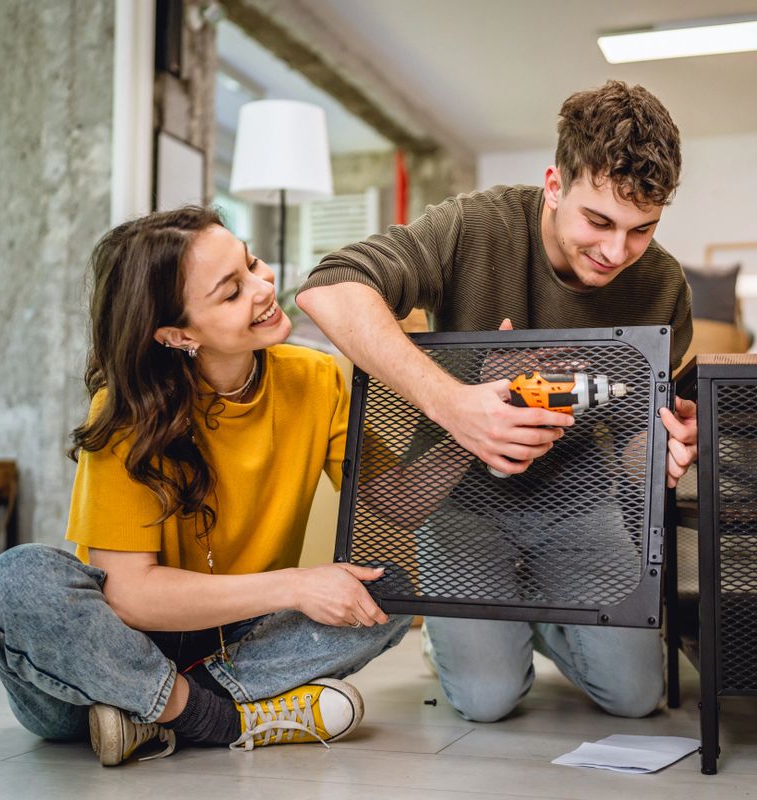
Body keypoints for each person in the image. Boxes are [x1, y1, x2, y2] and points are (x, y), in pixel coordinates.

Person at [296, 80, 698, 722]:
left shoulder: (662, 285)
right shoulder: (475, 227)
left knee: (635, 697)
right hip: (464, 502)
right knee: (488, 701)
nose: (616, 252)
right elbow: (330, 288)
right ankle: (461, 636)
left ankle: (529, 617)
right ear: (554, 185)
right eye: (598, 222)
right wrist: (459, 408)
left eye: (641, 230)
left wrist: (663, 450)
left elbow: (632, 447)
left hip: (580, 505)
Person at [0, 207, 410, 766]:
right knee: (18, 579)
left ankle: (147, 718)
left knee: (390, 588)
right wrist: (296, 585)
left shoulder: (317, 379)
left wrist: (475, 406)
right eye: (232, 292)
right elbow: (130, 595)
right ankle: (224, 719)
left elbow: (404, 504)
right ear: (178, 334)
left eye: (252, 263)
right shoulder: (125, 411)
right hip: (103, 660)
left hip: (240, 641)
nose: (263, 287)